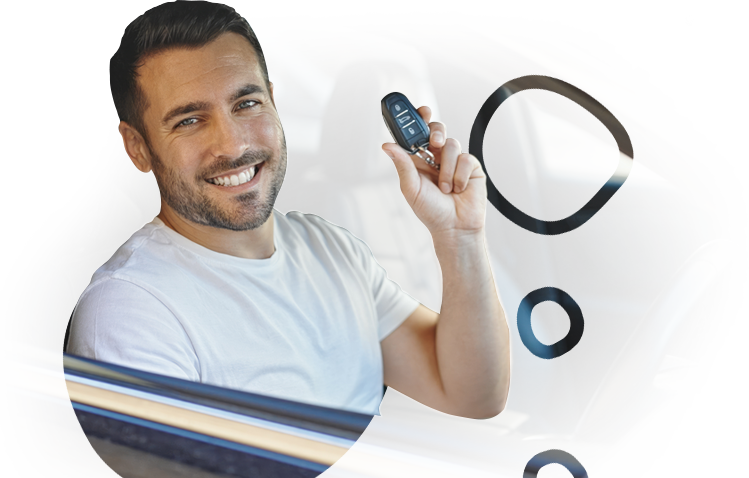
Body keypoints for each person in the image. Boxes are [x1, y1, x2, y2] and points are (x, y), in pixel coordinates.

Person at [67, 0, 511, 419]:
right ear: (138, 148)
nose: (234, 144)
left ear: (274, 102)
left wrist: (459, 237)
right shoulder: (132, 311)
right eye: (189, 120)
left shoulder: (330, 245)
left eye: (246, 103)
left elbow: (473, 395)